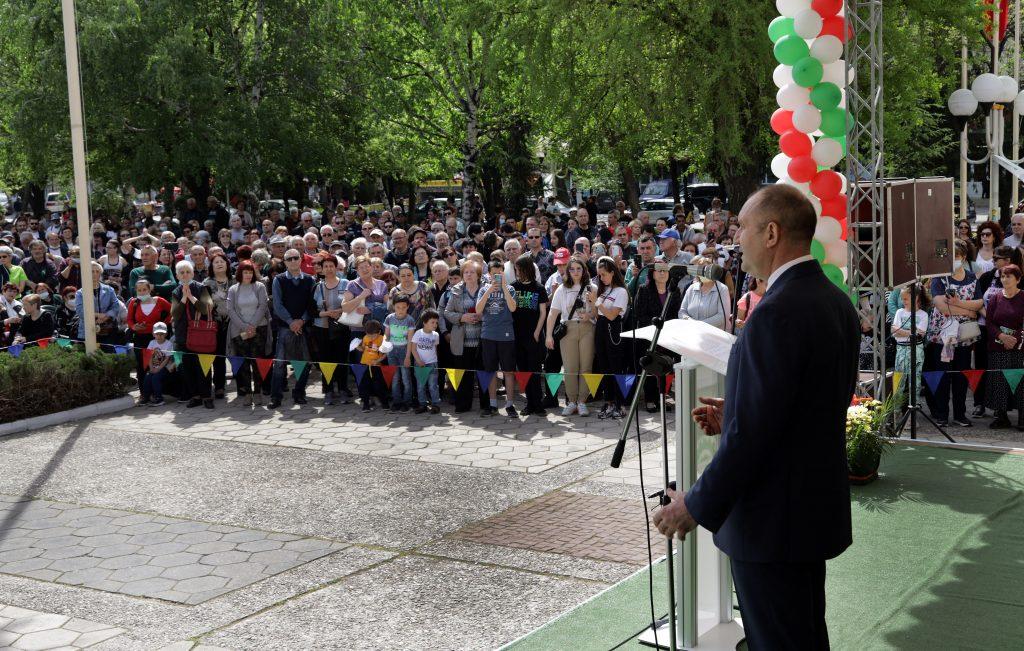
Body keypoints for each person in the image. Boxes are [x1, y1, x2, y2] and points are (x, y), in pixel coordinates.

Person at [652, 184, 860, 650]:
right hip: (806, 511)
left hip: (772, 523)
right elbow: (805, 405)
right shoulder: (834, 300)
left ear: (771, 233)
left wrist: (692, 505)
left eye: (742, 227)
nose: (735, 239)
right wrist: (738, 410)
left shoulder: (776, 313)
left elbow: (752, 439)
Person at [926, 241, 982, 428]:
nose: (953, 260)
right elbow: (942, 307)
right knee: (942, 376)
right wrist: (969, 311)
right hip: (942, 337)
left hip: (964, 336)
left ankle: (960, 414)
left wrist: (958, 303)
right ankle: (941, 414)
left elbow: (979, 303)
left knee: (961, 376)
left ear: (963, 257)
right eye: (950, 256)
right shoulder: (939, 278)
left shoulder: (972, 277)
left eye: (956, 256)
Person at [546, 257, 595, 417]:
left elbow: (598, 312)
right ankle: (572, 401)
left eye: (578, 268)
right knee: (570, 367)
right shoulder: (562, 289)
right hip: (568, 328)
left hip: (588, 328)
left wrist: (589, 313)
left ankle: (582, 402)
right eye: (572, 269)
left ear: (584, 270)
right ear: (567, 271)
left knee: (586, 366)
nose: (575, 272)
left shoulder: (592, 287)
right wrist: (548, 335)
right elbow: (553, 313)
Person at [634, 262, 683, 412]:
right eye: (659, 270)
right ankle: (650, 399)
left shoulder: (674, 290)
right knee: (651, 366)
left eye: (665, 271)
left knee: (665, 366)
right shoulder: (644, 289)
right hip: (650, 335)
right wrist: (656, 325)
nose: (662, 273)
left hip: (668, 335)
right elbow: (639, 314)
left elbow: (677, 313)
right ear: (652, 273)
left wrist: (667, 327)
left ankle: (663, 397)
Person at [269, 248, 315, 408]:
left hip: (304, 326)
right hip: (285, 327)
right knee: (280, 363)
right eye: (289, 259)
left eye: (296, 258)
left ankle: (299, 393)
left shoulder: (310, 279)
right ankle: (276, 397)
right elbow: (277, 305)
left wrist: (301, 321)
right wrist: (291, 322)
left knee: (304, 362)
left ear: (301, 259)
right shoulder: (279, 280)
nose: (293, 261)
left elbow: (311, 304)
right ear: (285, 262)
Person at [980, 264, 1024, 429]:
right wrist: (1001, 336)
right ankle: (1002, 417)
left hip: (1020, 348)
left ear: (1018, 279)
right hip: (998, 347)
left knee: (1020, 382)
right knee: (999, 381)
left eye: (1009, 276)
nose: (1005, 279)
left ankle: (1022, 418)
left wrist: (1014, 339)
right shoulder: (995, 298)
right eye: (1003, 276)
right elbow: (989, 322)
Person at [170, 260, 215, 409]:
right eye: (181, 272)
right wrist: (183, 298)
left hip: (201, 333)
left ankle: (206, 396)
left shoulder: (201, 288)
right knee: (187, 368)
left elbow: (206, 309)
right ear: (177, 275)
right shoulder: (176, 291)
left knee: (203, 366)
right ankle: (195, 396)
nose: (185, 275)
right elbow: (175, 314)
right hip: (183, 334)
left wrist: (191, 297)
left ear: (193, 273)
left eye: (188, 272)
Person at [444, 259, 487, 413]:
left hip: (483, 339)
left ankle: (486, 405)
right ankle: (463, 404)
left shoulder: (487, 289)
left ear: (479, 274)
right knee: (463, 374)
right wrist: (462, 317)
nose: (469, 275)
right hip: (462, 340)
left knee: (484, 373)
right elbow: (447, 312)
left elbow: (494, 310)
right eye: (466, 272)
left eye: (472, 272)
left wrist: (482, 316)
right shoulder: (456, 291)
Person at [226, 260, 272, 405]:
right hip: (239, 330)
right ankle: (247, 392)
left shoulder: (260, 286)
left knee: (257, 361)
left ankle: (257, 392)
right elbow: (230, 310)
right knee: (244, 362)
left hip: (259, 328)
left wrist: (252, 325)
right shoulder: (233, 289)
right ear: (240, 273)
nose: (248, 275)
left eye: (250, 272)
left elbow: (263, 306)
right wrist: (244, 326)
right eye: (245, 272)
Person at [477, 259, 518, 417]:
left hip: (506, 335)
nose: (496, 277)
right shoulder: (483, 289)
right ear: (489, 274)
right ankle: (493, 404)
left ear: (503, 273)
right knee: (490, 371)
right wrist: (489, 290)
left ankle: (510, 405)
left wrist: (504, 287)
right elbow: (479, 310)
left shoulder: (510, 288)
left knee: (508, 371)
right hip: (488, 334)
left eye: (499, 274)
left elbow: (513, 308)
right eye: (493, 274)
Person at [591, 256, 629, 419]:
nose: (601, 278)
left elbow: (612, 315)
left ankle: (620, 404)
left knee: (616, 367)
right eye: (599, 275)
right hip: (600, 328)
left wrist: (597, 302)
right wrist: (592, 303)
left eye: (604, 274)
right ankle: (609, 402)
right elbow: (597, 314)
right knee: (604, 366)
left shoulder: (621, 291)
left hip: (613, 328)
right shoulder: (604, 290)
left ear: (613, 273)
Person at [511, 253, 549, 416]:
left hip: (533, 335)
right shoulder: (513, 287)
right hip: (517, 335)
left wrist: (537, 331)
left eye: (519, 269)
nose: (517, 272)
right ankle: (529, 404)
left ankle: (538, 404)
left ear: (527, 269)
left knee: (534, 371)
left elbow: (543, 312)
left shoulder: (538, 288)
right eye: (516, 269)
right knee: (523, 371)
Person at [311, 253, 350, 405]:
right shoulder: (317, 287)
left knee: (342, 360)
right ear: (321, 269)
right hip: (322, 328)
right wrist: (328, 313)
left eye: (331, 266)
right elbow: (312, 310)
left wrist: (339, 311)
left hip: (342, 327)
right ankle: (328, 391)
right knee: (326, 361)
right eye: (325, 266)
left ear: (336, 267)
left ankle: (343, 389)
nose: (328, 269)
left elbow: (352, 304)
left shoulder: (346, 284)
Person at [126, 279, 172, 383]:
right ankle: (143, 390)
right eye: (139, 290)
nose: (142, 292)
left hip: (157, 338)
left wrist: (164, 324)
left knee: (156, 363)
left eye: (144, 289)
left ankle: (155, 389)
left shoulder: (159, 301)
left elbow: (172, 311)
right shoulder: (133, 302)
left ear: (149, 289)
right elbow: (129, 319)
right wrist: (134, 327)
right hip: (140, 338)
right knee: (141, 365)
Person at [203, 253, 235, 399]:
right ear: (212, 266)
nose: (220, 264)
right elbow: (204, 307)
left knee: (237, 354)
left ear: (227, 264)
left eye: (222, 261)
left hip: (235, 323)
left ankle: (243, 385)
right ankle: (219, 386)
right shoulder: (206, 283)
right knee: (219, 356)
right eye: (216, 262)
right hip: (216, 325)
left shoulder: (235, 280)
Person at [891, 284, 930, 399]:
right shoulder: (899, 312)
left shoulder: (923, 315)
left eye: (906, 299)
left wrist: (901, 331)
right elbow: (894, 332)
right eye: (902, 299)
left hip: (916, 350)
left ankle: (914, 405)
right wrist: (912, 332)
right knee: (899, 380)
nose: (903, 302)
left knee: (915, 380)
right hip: (901, 349)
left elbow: (919, 335)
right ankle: (896, 407)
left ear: (916, 297)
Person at [678, 256, 732, 330]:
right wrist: (690, 322)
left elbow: (723, 316)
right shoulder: (691, 288)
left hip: (714, 334)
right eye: (701, 269)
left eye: (706, 269)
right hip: (692, 331)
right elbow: (682, 311)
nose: (703, 272)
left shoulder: (722, 289)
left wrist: (699, 325)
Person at [76, 262, 122, 346]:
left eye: (97, 271)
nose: (95, 274)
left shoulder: (109, 290)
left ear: (100, 273)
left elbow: (115, 306)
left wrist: (106, 316)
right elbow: (80, 311)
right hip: (86, 330)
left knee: (107, 352)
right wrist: (98, 315)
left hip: (106, 330)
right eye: (92, 271)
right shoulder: (80, 293)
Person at [384, 294, 417, 411]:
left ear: (408, 307)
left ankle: (407, 402)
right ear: (393, 306)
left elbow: (410, 340)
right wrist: (385, 347)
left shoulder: (410, 320)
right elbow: (386, 335)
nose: (401, 310)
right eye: (398, 307)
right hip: (392, 352)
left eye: (403, 307)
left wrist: (408, 357)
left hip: (404, 351)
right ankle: (396, 401)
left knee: (406, 378)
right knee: (394, 378)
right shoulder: (389, 318)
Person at [409, 309, 442, 414]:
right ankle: (422, 404)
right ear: (424, 322)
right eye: (432, 322)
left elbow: (435, 349)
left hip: (432, 363)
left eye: (436, 322)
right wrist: (418, 361)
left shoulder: (436, 335)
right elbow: (413, 349)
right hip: (420, 364)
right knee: (421, 385)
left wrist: (435, 362)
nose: (435, 325)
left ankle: (435, 404)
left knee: (433, 385)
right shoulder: (418, 333)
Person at [140, 322, 175, 407]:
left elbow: (167, 359)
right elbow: (149, 356)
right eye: (157, 334)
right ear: (153, 334)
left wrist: (158, 369)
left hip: (164, 367)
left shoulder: (168, 344)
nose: (159, 336)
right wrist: (151, 368)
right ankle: (146, 397)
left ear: (166, 334)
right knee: (148, 377)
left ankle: (159, 398)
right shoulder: (152, 343)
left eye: (162, 334)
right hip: (153, 367)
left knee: (156, 378)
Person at [357, 319, 388, 411]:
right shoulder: (365, 337)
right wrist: (358, 347)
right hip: (364, 364)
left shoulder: (382, 339)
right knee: (365, 385)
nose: (370, 337)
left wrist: (378, 360)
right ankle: (366, 405)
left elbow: (386, 354)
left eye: (373, 335)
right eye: (369, 335)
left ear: (379, 332)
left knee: (379, 385)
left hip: (376, 366)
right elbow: (363, 348)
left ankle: (385, 403)